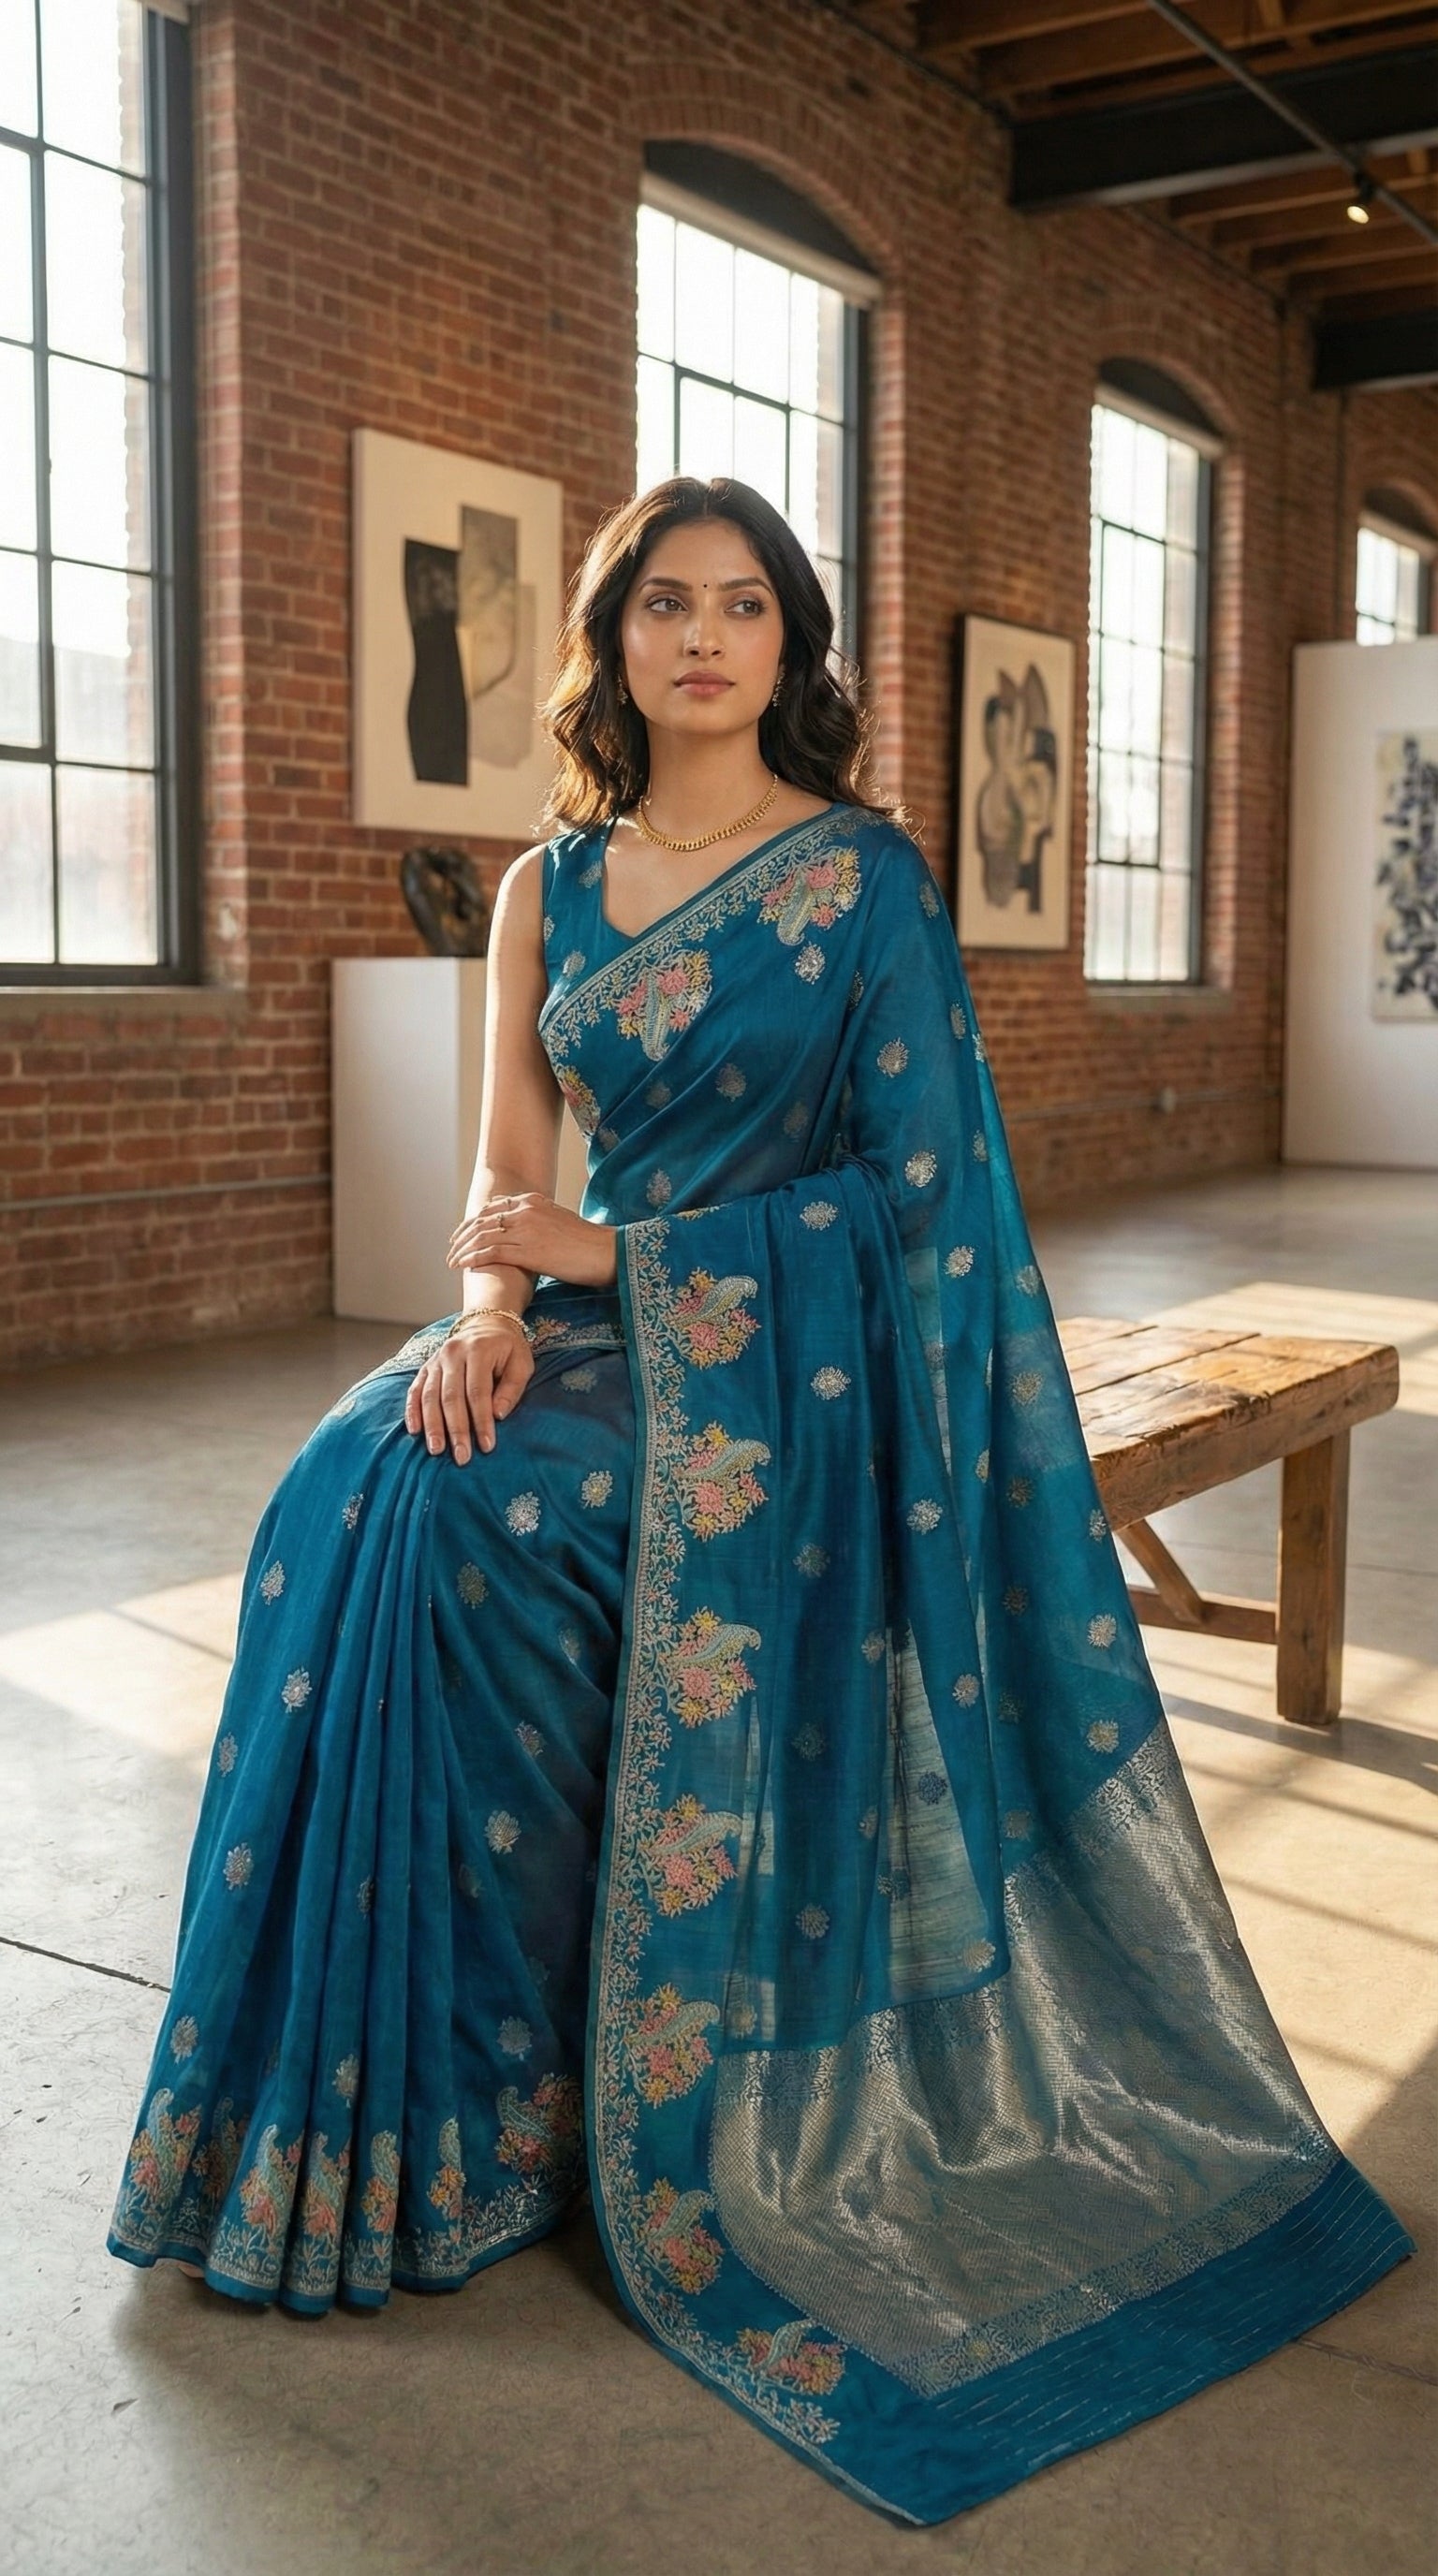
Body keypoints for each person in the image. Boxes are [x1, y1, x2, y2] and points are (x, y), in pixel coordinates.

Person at [108, 476, 1412, 2526]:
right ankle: (419, 2102)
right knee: (355, 1479)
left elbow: (918, 1215)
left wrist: (609, 1267)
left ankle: (568, 2082)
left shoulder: (866, 884)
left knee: (482, 1529)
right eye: (664, 605)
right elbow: (499, 1175)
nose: (702, 639)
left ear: (794, 648)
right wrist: (480, 1314)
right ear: (613, 637)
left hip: (790, 1375)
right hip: (591, 1337)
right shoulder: (549, 882)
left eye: (744, 608)